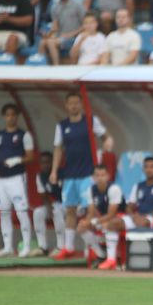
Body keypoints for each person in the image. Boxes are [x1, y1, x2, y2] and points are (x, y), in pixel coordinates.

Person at [49, 93, 107, 260]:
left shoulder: (90, 121)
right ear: (66, 106)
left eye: (76, 103)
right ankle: (68, 247)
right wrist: (54, 171)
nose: (74, 106)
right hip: (69, 175)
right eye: (70, 103)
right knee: (70, 210)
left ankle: (97, 245)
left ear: (81, 105)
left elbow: (105, 137)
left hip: (88, 174)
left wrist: (108, 142)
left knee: (91, 208)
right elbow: (58, 149)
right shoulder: (62, 126)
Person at [0, 103, 35, 258]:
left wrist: (18, 160)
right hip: (1, 179)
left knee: (21, 211)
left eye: (13, 114)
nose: (10, 117)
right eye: (7, 114)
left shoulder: (24, 135)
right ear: (4, 116)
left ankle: (26, 246)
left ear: (17, 116)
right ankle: (7, 246)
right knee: (4, 212)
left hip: (17, 178)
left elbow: (31, 156)